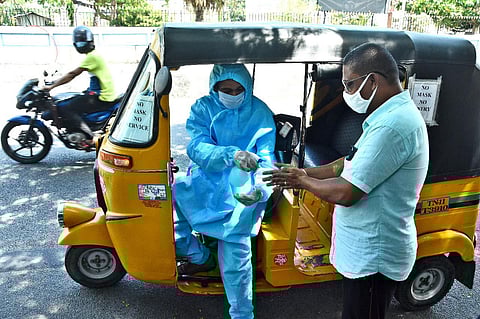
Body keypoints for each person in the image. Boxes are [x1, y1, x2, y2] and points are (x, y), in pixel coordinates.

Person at [263, 43, 429, 319]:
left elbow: (347, 192)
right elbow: (346, 163)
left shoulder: (393, 125)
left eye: (349, 85)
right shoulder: (384, 116)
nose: (346, 93)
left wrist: (300, 183)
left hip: (374, 259)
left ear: (372, 80)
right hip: (365, 253)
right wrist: (305, 173)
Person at [173, 64, 276, 319]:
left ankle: (242, 312)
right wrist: (231, 154)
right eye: (225, 89)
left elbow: (267, 160)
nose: (232, 94)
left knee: (236, 249)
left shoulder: (260, 111)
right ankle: (200, 256)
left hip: (243, 184)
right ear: (214, 87)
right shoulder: (203, 107)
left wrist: (260, 190)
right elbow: (197, 147)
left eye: (238, 89)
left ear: (248, 88)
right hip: (207, 176)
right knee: (170, 211)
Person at [42, 25, 116, 148]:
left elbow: (72, 74)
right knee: (72, 98)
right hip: (101, 93)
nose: (81, 46)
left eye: (83, 43)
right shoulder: (93, 55)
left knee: (65, 107)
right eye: (79, 43)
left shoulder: (92, 57)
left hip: (101, 96)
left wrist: (51, 87)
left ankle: (91, 138)